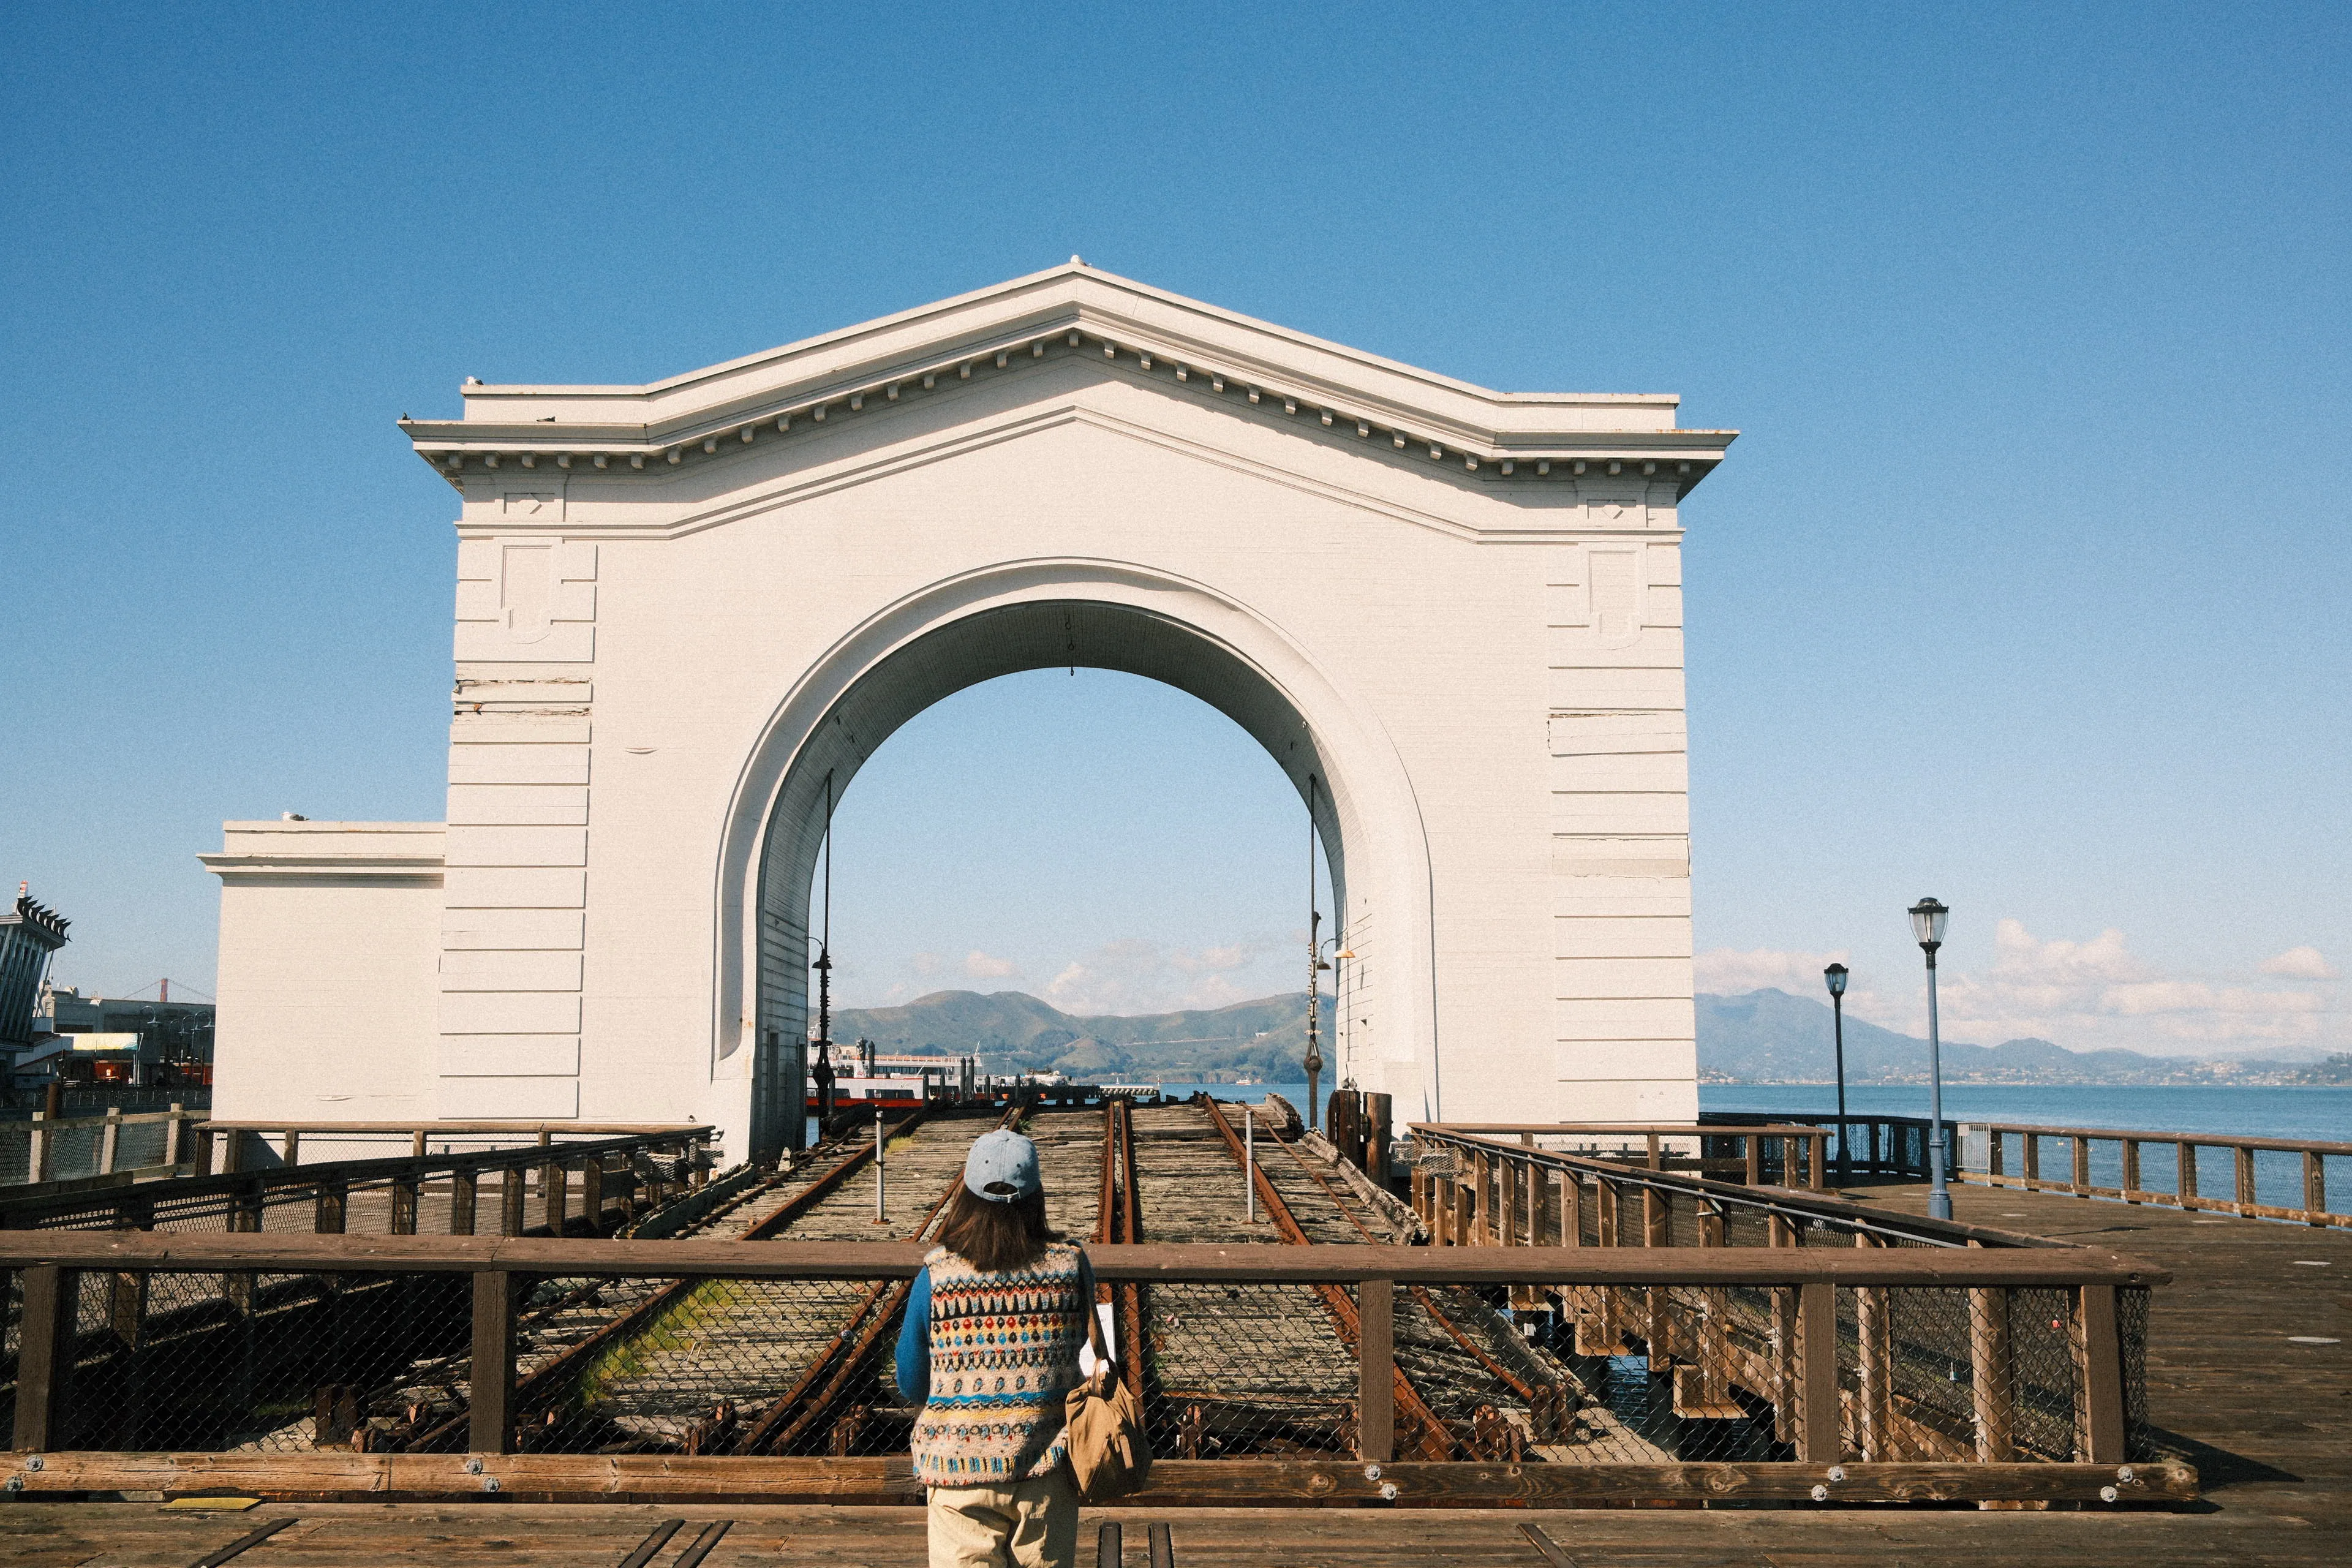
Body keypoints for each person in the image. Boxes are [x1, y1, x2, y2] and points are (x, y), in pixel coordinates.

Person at [896, 1127, 1104, 1568]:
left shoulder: (938, 1274)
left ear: (967, 1195)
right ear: (1036, 1196)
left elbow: (913, 1380)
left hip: (958, 1473)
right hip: (1048, 1469)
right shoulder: (1070, 1264)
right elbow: (1088, 1348)